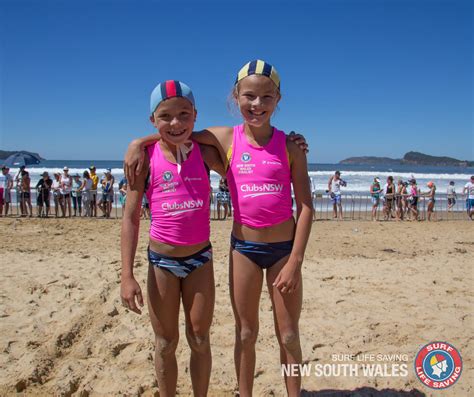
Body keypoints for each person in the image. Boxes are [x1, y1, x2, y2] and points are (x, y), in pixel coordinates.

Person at [124, 61, 312, 397]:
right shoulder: (224, 138)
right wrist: (139, 142)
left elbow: (306, 205)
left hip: (282, 251)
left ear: (277, 98)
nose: (257, 104)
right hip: (241, 249)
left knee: (289, 336)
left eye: (266, 97)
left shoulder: (289, 145)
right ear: (235, 96)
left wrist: (297, 259)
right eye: (249, 96)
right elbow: (176, 131)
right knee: (243, 334)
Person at [121, 80, 226, 396]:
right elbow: (129, 218)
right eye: (165, 116)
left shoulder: (206, 154)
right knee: (166, 343)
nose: (176, 123)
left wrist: (291, 145)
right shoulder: (145, 159)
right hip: (162, 263)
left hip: (200, 260)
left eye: (184, 114)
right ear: (153, 119)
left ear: (195, 115)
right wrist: (126, 275)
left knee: (200, 338)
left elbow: (248, 151)